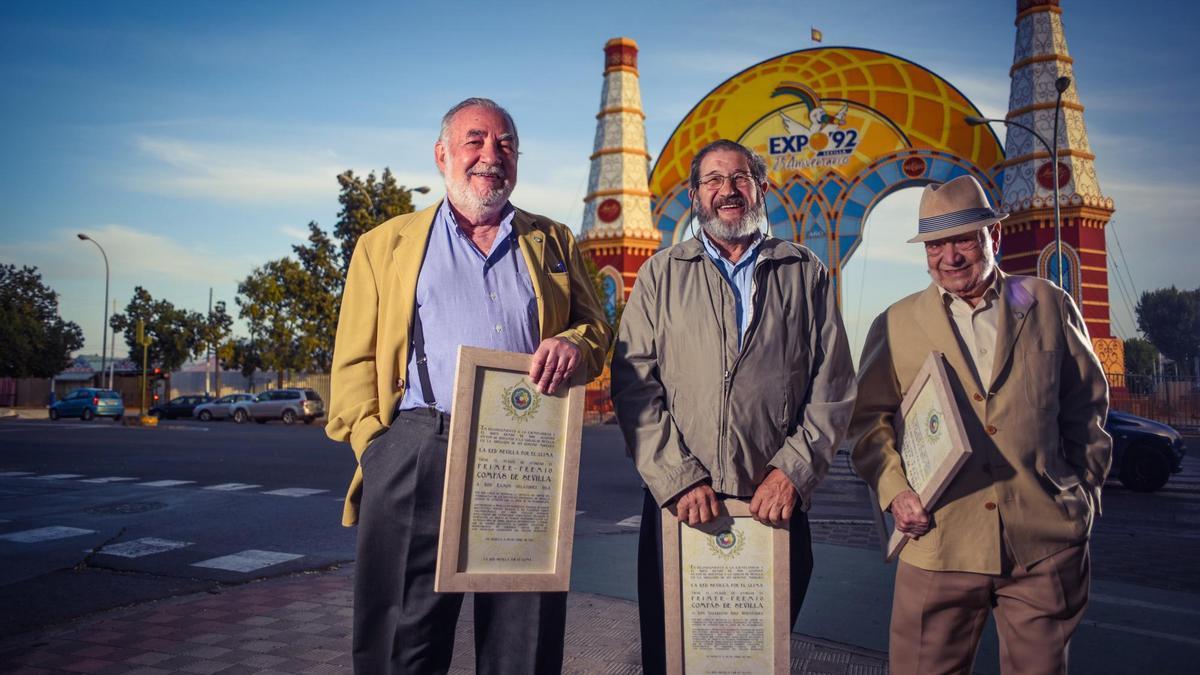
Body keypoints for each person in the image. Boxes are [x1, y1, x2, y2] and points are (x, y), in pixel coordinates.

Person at [326, 97, 612, 675]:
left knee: (523, 635)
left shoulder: (553, 240)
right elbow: (353, 363)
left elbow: (598, 330)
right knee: (401, 641)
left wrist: (575, 345)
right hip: (419, 445)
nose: (491, 156)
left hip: (525, 449)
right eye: (475, 141)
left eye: (505, 144)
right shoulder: (385, 245)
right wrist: (377, 450)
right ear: (442, 155)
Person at [611, 139, 856, 675]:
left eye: (740, 178)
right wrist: (677, 479)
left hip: (775, 504)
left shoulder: (803, 271)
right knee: (674, 653)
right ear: (696, 196)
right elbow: (634, 386)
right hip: (681, 508)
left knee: (755, 657)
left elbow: (832, 386)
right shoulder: (661, 274)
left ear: (761, 189)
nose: (728, 190)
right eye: (713, 180)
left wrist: (792, 473)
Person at [849, 175, 1111, 674]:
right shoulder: (896, 322)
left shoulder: (1048, 304)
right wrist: (894, 490)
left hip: (1043, 544)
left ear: (994, 237)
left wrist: (1082, 496)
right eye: (935, 244)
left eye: (962, 239)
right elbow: (867, 424)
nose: (949, 256)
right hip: (939, 542)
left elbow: (1088, 409)